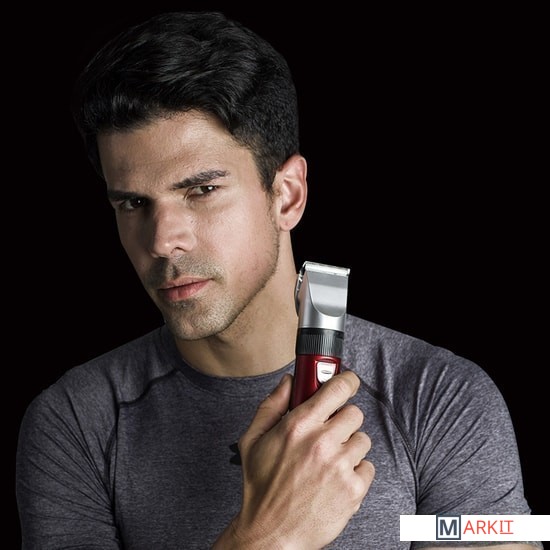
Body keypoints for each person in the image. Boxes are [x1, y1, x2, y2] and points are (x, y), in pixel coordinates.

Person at [15, 10, 542, 550]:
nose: (162, 241)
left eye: (201, 191)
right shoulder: (75, 423)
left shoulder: (443, 398)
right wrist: (270, 535)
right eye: (133, 203)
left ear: (287, 196)